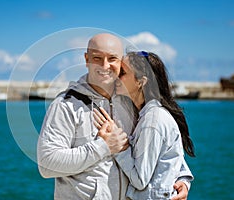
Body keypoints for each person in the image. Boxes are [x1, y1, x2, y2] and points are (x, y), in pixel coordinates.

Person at [37, 33, 192, 199]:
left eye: (112, 58)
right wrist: (104, 147)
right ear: (86, 59)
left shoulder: (133, 103)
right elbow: (47, 165)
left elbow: (159, 147)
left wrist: (181, 179)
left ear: (121, 61)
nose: (105, 66)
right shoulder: (65, 105)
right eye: (97, 58)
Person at [94, 51, 195, 199]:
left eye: (123, 72)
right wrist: (184, 180)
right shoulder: (150, 115)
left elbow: (140, 180)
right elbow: (171, 157)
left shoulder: (152, 121)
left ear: (141, 81)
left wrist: (119, 146)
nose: (116, 76)